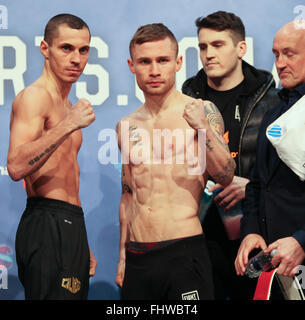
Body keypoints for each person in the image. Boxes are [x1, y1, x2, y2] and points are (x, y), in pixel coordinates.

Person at [115, 23, 235, 300]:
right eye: (145, 61)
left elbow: (226, 175)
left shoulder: (200, 111)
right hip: (138, 257)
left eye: (162, 60)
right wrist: (122, 256)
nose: (154, 70)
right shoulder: (126, 125)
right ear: (132, 66)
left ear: (178, 62)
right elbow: (127, 195)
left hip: (184, 253)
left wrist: (203, 128)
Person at [182, 11, 280, 299]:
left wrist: (250, 188)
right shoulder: (187, 101)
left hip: (255, 234)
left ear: (241, 48)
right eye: (203, 47)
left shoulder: (271, 102)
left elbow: (286, 175)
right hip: (199, 235)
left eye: (218, 45)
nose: (208, 54)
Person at [7, 14, 97, 300]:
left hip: (70, 223)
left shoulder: (66, 103)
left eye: (83, 50)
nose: (76, 59)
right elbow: (16, 165)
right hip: (45, 223)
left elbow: (67, 178)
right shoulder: (35, 97)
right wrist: (68, 125)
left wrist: (79, 242)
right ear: (45, 49)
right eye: (66, 48)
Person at [235, 20, 305, 296]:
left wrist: (302, 241)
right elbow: (256, 184)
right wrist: (251, 231)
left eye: (290, 53)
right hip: (276, 265)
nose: (280, 63)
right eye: (276, 54)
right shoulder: (272, 114)